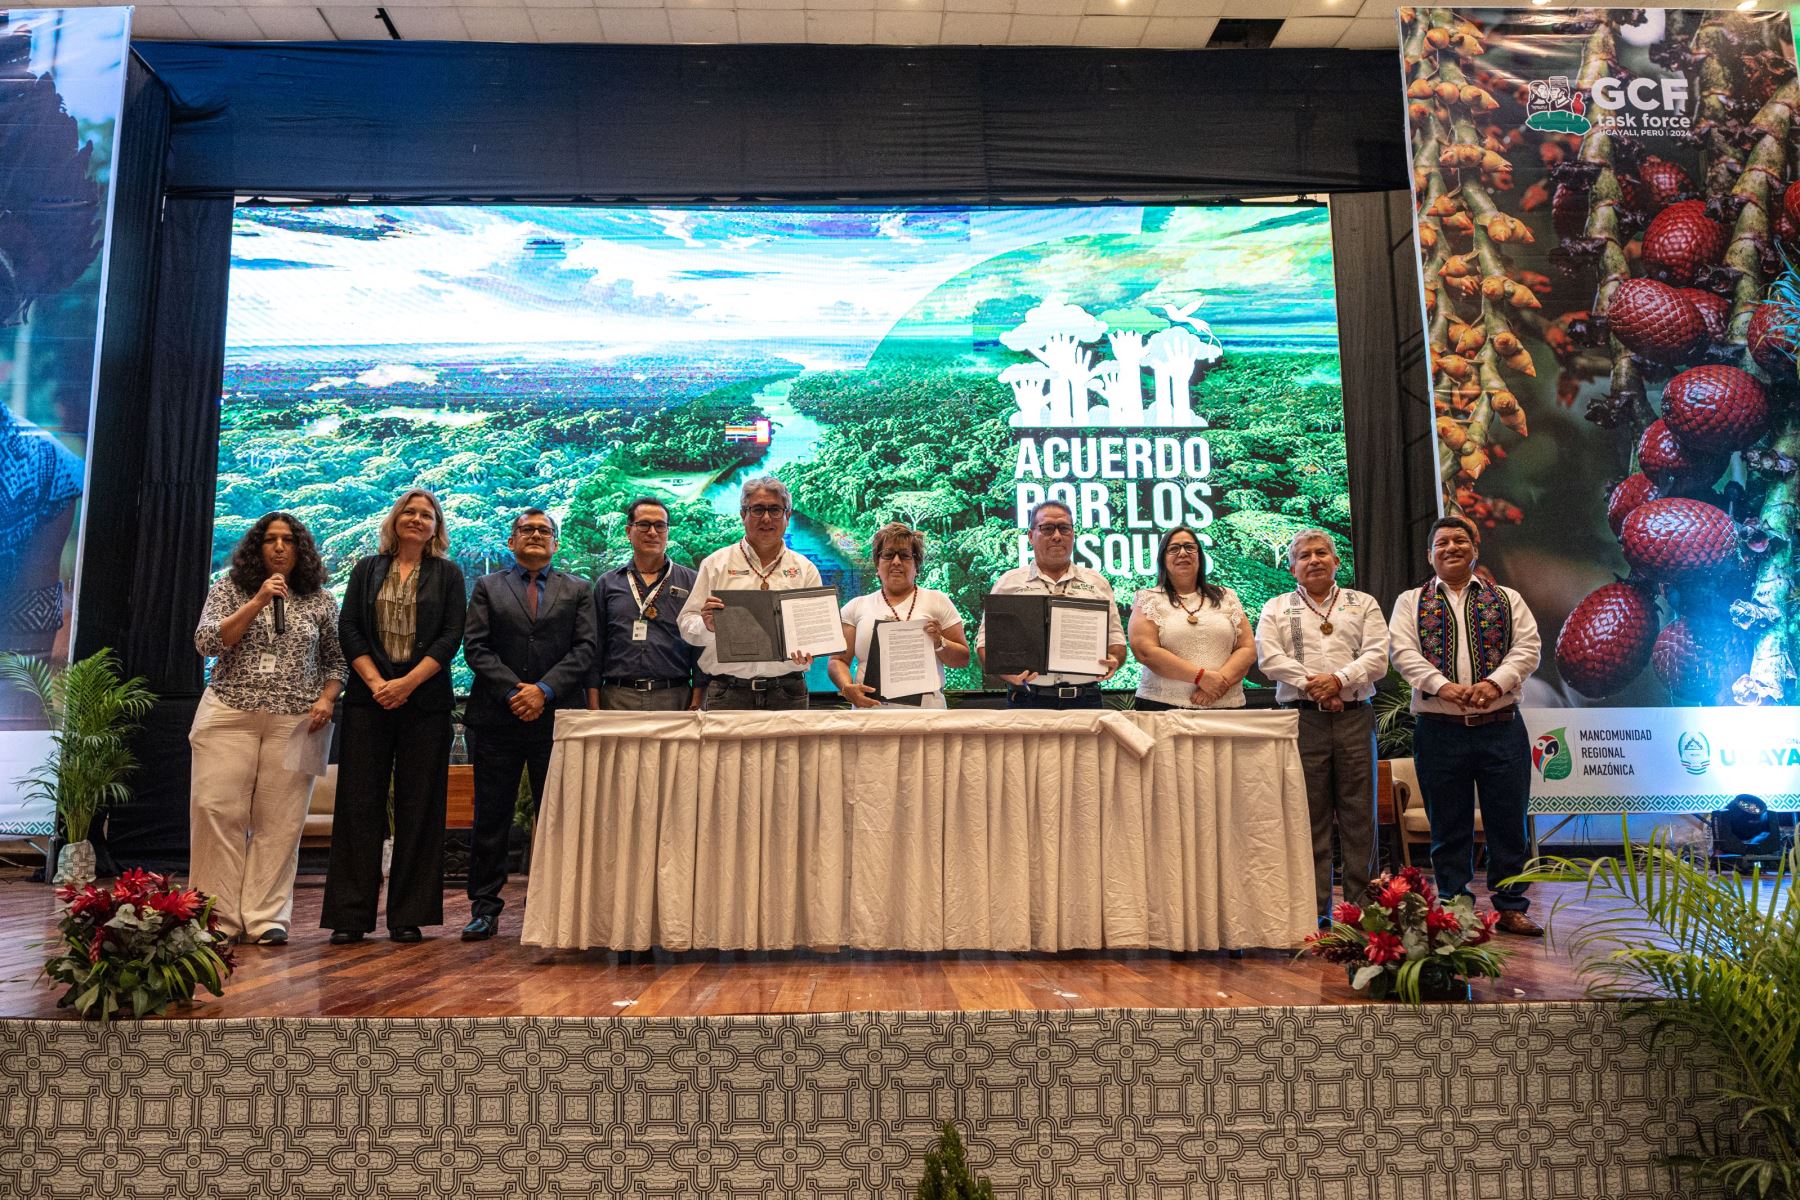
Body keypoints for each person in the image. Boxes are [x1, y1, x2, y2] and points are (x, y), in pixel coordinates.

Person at [190, 512, 346, 946]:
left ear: (301, 550)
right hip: (228, 712)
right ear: (257, 548)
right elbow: (207, 643)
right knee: (215, 810)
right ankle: (215, 919)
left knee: (280, 823)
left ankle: (266, 918)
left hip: (297, 721)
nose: (279, 547)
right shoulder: (229, 588)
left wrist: (327, 698)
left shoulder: (320, 599)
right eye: (270, 540)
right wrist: (257, 600)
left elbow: (336, 662)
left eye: (289, 540)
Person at [322, 487, 467, 945]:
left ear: (435, 527)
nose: (418, 519)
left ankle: (409, 915)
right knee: (358, 805)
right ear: (395, 519)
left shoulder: (448, 574)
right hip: (369, 701)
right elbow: (348, 628)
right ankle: (350, 916)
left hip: (424, 704)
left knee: (419, 807)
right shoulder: (368, 569)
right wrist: (376, 682)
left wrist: (406, 684)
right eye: (410, 512)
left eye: (427, 515)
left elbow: (450, 636)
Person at [1388, 515, 1544, 936]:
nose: (1451, 548)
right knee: (1448, 823)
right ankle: (1456, 906)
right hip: (1440, 729)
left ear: (1475, 549)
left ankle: (1511, 905)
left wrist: (1495, 684)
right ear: (1429, 554)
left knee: (1508, 823)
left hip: (1501, 725)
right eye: (1442, 542)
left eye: (1460, 540)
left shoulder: (1507, 598)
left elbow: (1528, 648)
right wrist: (1444, 688)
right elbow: (1402, 652)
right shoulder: (1411, 602)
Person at [459, 509, 596, 941]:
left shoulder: (578, 589)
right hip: (497, 718)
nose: (535, 536)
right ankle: (485, 908)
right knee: (491, 817)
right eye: (527, 530)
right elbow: (476, 648)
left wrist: (544, 690)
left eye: (544, 531)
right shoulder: (487, 587)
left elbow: (586, 648)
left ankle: (560, 906)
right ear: (512, 540)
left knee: (557, 816)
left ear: (556, 542)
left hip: (555, 720)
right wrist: (517, 692)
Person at [1254, 528, 1390, 924]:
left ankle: (1360, 914)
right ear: (1292, 567)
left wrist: (1340, 681)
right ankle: (1313, 913)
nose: (1313, 560)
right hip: (1302, 720)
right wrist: (1316, 686)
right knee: (1307, 818)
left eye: (1321, 553)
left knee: (1359, 818)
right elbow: (1270, 659)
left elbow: (1378, 657)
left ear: (1336, 561)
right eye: (1304, 556)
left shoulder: (1361, 603)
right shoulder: (1275, 607)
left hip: (1354, 717)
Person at [679, 477, 822, 710]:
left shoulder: (805, 569)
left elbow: (817, 631)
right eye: (757, 509)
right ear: (743, 515)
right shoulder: (715, 564)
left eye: (775, 510)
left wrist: (812, 648)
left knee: (787, 750)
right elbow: (686, 625)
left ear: (787, 516)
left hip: (787, 691)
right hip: (728, 691)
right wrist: (707, 626)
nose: (766, 518)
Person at [976, 499, 1125, 709]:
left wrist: (1114, 659)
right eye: (1047, 529)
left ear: (1073, 534)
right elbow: (985, 643)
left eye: (1064, 528)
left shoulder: (1097, 583)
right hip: (1028, 700)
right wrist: (1005, 672)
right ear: (1030, 536)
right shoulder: (1009, 583)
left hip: (1086, 699)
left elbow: (1117, 641)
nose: (1057, 536)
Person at [828, 522, 970, 709]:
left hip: (927, 716)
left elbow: (963, 659)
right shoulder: (856, 606)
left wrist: (939, 641)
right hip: (871, 716)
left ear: (917, 565)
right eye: (887, 555)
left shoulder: (937, 601)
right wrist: (847, 688)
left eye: (904, 556)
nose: (896, 562)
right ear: (877, 564)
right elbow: (837, 661)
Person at [586, 497, 703, 712]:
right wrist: (593, 702)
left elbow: (700, 644)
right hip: (617, 698)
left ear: (667, 531)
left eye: (660, 525)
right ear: (628, 531)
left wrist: (697, 699)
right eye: (644, 525)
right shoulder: (607, 583)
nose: (652, 532)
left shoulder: (692, 581)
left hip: (675, 697)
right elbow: (597, 645)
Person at [1128, 526, 1255, 710]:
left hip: (1226, 707)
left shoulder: (1227, 596)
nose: (1182, 553)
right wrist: (1201, 677)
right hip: (1163, 707)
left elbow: (1247, 648)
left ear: (1199, 555)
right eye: (1173, 549)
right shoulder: (1147, 598)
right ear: (1163, 559)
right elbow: (1145, 651)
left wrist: (1217, 685)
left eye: (1189, 547)